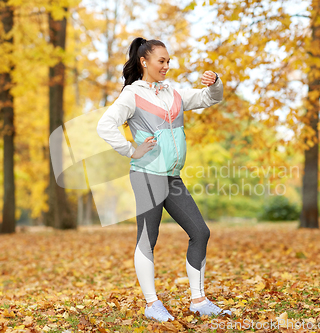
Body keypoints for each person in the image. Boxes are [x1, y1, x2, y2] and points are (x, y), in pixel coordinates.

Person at [96, 37, 232, 322]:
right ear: (144, 62)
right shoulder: (132, 95)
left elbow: (211, 98)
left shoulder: (174, 93)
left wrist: (215, 81)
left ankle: (198, 299)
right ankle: (151, 303)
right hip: (146, 174)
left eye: (169, 61)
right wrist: (131, 150)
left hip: (172, 177)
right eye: (162, 61)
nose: (167, 66)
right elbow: (105, 125)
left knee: (200, 232)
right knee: (148, 238)